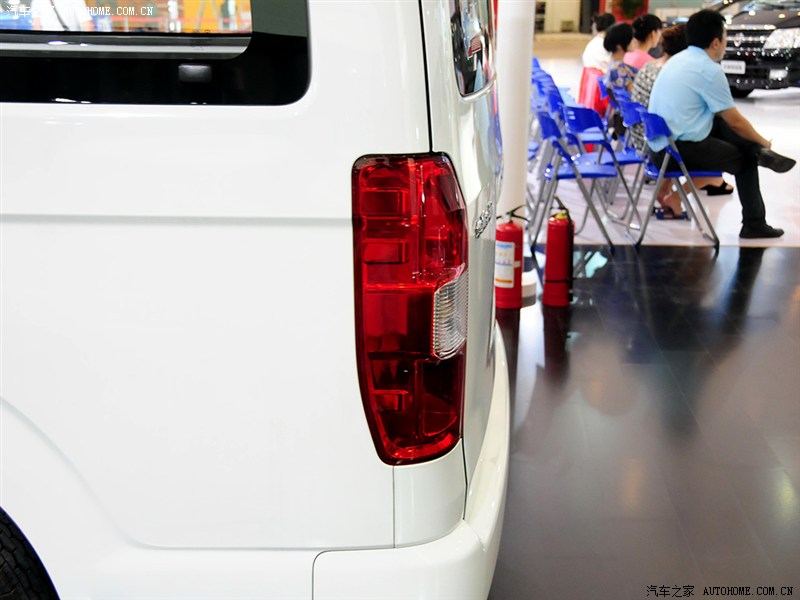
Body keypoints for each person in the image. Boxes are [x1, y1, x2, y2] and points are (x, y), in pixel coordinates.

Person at [648, 9, 795, 239]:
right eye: (726, 36)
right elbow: (736, 122)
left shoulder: (677, 60)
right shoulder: (709, 70)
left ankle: (758, 151)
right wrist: (762, 140)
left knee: (718, 121)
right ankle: (754, 222)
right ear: (716, 42)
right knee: (745, 161)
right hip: (677, 151)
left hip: (659, 146)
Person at [630, 24, 732, 217]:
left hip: (643, 135)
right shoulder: (674, 73)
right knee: (717, 158)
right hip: (658, 143)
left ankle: (665, 190)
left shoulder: (650, 67)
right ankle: (677, 195)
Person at [603, 22, 637, 92]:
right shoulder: (619, 70)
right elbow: (635, 93)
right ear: (619, 46)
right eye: (631, 39)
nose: (635, 41)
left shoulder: (613, 63)